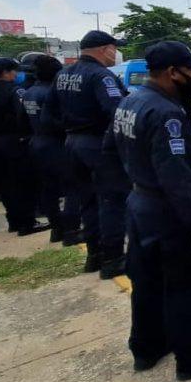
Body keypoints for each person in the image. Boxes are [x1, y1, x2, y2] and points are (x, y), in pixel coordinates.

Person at [100, 41, 191, 381]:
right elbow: (175, 176)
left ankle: (146, 350)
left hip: (140, 205)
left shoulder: (129, 102)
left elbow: (108, 153)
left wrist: (133, 191)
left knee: (145, 283)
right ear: (173, 73)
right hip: (167, 212)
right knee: (182, 287)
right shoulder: (167, 113)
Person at [47, 30, 130, 277]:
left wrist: (71, 127)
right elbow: (117, 112)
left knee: (88, 201)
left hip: (72, 143)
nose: (115, 54)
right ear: (105, 49)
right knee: (112, 202)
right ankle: (113, 259)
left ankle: (94, 255)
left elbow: (49, 112)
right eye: (114, 49)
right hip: (97, 145)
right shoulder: (100, 76)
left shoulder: (62, 75)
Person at [0, 58, 50, 236]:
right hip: (13, 141)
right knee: (23, 183)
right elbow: (23, 114)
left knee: (5, 185)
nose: (16, 74)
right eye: (13, 71)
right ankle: (27, 223)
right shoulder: (14, 91)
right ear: (5, 72)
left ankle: (14, 221)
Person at [22, 55, 70, 244]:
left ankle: (56, 226)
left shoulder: (29, 93)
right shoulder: (52, 93)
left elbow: (22, 121)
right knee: (71, 187)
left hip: (36, 143)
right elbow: (56, 122)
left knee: (48, 189)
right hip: (56, 144)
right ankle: (69, 226)